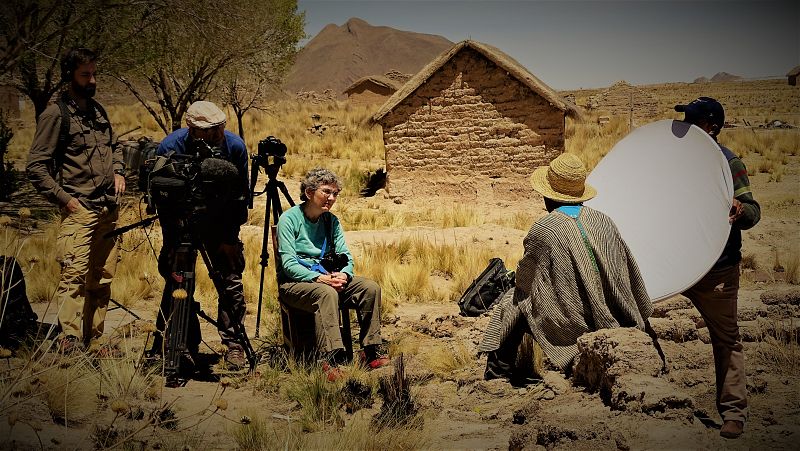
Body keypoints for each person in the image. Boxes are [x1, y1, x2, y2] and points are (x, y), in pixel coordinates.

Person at [478, 153, 653, 384]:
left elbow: (525, 281)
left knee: (514, 301)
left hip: (576, 323)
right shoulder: (604, 221)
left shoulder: (546, 228)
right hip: (620, 315)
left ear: (547, 196)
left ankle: (497, 374)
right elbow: (628, 271)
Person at [27, 47, 124, 354]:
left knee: (102, 278)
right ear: (70, 76)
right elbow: (36, 166)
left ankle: (95, 339)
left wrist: (119, 172)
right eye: (86, 74)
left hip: (108, 209)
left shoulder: (99, 112)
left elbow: (115, 146)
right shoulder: (56, 114)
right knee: (74, 276)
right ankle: (69, 339)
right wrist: (64, 200)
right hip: (79, 209)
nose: (92, 79)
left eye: (94, 73)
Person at [675, 97, 760, 439]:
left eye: (691, 122)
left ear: (711, 128)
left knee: (726, 338)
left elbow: (754, 212)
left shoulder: (728, 163)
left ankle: (733, 411)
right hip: (677, 264)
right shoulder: (674, 162)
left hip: (718, 269)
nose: (683, 129)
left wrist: (741, 211)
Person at [152, 101, 250, 369]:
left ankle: (234, 344)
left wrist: (230, 235)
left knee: (230, 281)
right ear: (192, 129)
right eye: (210, 129)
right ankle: (183, 343)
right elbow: (162, 198)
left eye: (220, 127)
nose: (217, 133)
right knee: (179, 282)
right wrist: (174, 234)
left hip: (221, 223)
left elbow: (242, 196)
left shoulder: (235, 147)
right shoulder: (171, 148)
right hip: (180, 224)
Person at [276, 168, 388, 378]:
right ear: (309, 193)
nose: (331, 198)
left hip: (328, 278)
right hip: (295, 284)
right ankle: (329, 358)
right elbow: (289, 264)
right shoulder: (289, 219)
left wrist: (344, 274)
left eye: (335, 193)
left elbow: (346, 256)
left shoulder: (331, 221)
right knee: (326, 294)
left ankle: (370, 350)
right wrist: (319, 278)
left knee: (369, 288)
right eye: (326, 192)